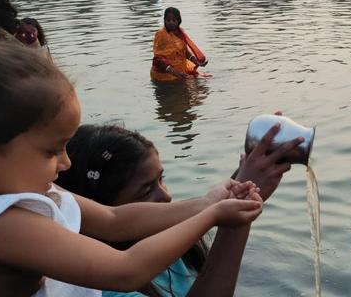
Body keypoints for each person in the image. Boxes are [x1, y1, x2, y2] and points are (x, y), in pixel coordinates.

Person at [0, 41, 264, 296]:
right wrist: (212, 216)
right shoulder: (1, 224)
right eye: (51, 152)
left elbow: (114, 220)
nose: (66, 163)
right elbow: (126, 270)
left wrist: (206, 203)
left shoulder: (41, 190)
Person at [53, 121, 299, 296]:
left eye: (161, 179)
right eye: (146, 191)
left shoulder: (165, 235)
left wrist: (245, 186)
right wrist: (238, 218)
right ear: (94, 206)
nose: (167, 196)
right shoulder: (100, 288)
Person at [151, 7, 208, 81]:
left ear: (179, 21)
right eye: (168, 20)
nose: (171, 22)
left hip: (180, 72)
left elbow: (185, 52)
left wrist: (197, 62)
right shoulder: (161, 34)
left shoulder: (181, 33)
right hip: (164, 76)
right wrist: (176, 73)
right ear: (164, 21)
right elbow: (158, 58)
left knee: (204, 82)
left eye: (174, 20)